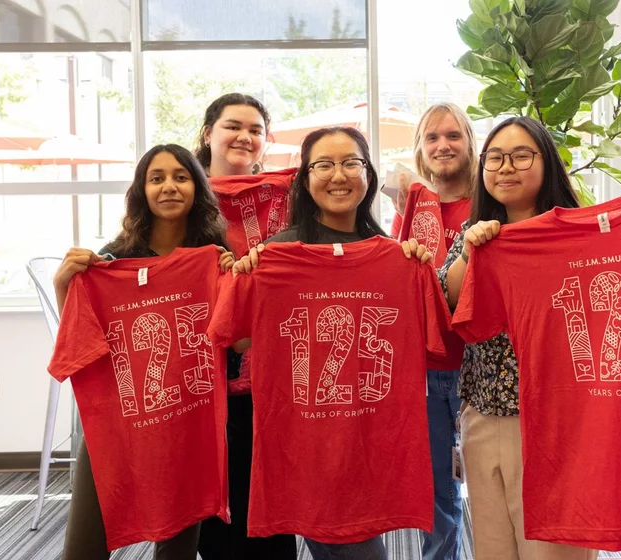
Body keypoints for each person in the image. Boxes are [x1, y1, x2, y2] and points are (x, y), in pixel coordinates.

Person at [439, 116, 621, 560]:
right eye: (494, 158)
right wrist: (472, 252)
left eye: (522, 156)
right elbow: (448, 303)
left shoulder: (580, 234)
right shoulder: (477, 235)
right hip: (483, 418)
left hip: (559, 428)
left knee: (554, 553)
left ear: (547, 164)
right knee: (493, 551)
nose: (505, 168)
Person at [234, 126, 432, 560]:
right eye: (323, 165)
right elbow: (240, 339)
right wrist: (247, 279)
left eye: (351, 163)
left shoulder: (395, 257)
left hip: (372, 443)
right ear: (305, 180)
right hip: (306, 445)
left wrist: (418, 269)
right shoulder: (276, 256)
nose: (338, 175)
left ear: (368, 175)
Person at [52, 144, 235, 560]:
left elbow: (239, 341)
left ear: (197, 188)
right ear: (142, 190)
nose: (169, 187)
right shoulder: (113, 260)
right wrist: (64, 287)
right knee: (83, 550)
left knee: (177, 549)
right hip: (118, 424)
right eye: (157, 178)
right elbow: (80, 345)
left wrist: (236, 283)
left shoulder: (215, 259)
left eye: (180, 177)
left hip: (189, 423)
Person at [193, 92, 299, 559]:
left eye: (256, 129)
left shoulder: (289, 200)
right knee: (216, 510)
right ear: (208, 133)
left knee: (275, 505)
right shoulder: (182, 192)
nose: (245, 136)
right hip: (202, 378)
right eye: (233, 125)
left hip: (274, 373)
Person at [393, 102, 480, 560]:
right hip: (426, 365)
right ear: (421, 151)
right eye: (432, 138)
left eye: (453, 135)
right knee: (436, 492)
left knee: (493, 483)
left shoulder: (490, 202)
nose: (443, 145)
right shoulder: (409, 210)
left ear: (469, 143)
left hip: (485, 366)